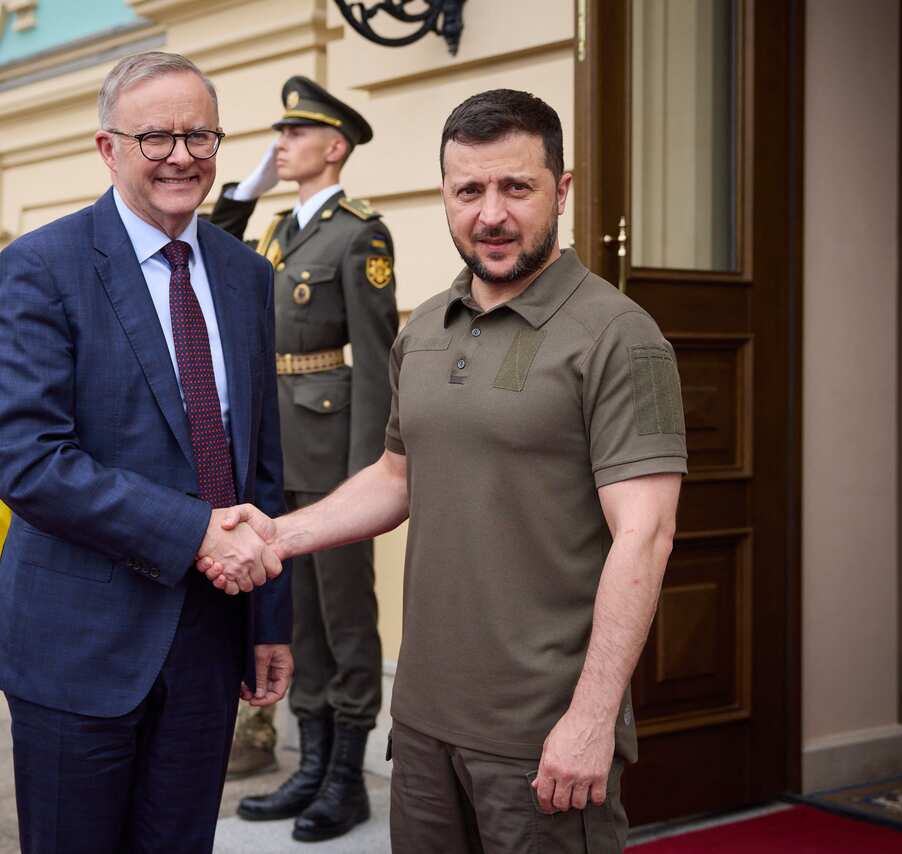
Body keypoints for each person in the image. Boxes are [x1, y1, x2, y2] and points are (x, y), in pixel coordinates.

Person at [201, 88, 687, 854]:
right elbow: (395, 479)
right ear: (446, 197)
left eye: (516, 187)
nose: (490, 214)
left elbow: (647, 536)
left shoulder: (621, 337)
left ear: (561, 190)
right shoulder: (424, 328)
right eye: (469, 190)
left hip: (540, 737)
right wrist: (273, 536)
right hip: (424, 725)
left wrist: (592, 719)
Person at [0, 51, 292, 854]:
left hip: (208, 645)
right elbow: (26, 458)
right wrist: (194, 532)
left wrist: (269, 620)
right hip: (76, 647)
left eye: (199, 135)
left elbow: (261, 462)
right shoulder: (42, 267)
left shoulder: (246, 275)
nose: (181, 156)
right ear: (107, 148)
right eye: (154, 137)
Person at [204, 76, 398, 842]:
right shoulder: (282, 229)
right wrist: (243, 191)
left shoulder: (360, 233)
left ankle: (346, 777)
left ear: (334, 147)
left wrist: (365, 477)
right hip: (276, 449)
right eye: (278, 135)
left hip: (334, 448)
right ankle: (310, 767)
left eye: (293, 135)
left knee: (345, 618)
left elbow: (379, 364)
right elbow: (215, 245)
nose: (279, 145)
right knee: (297, 617)